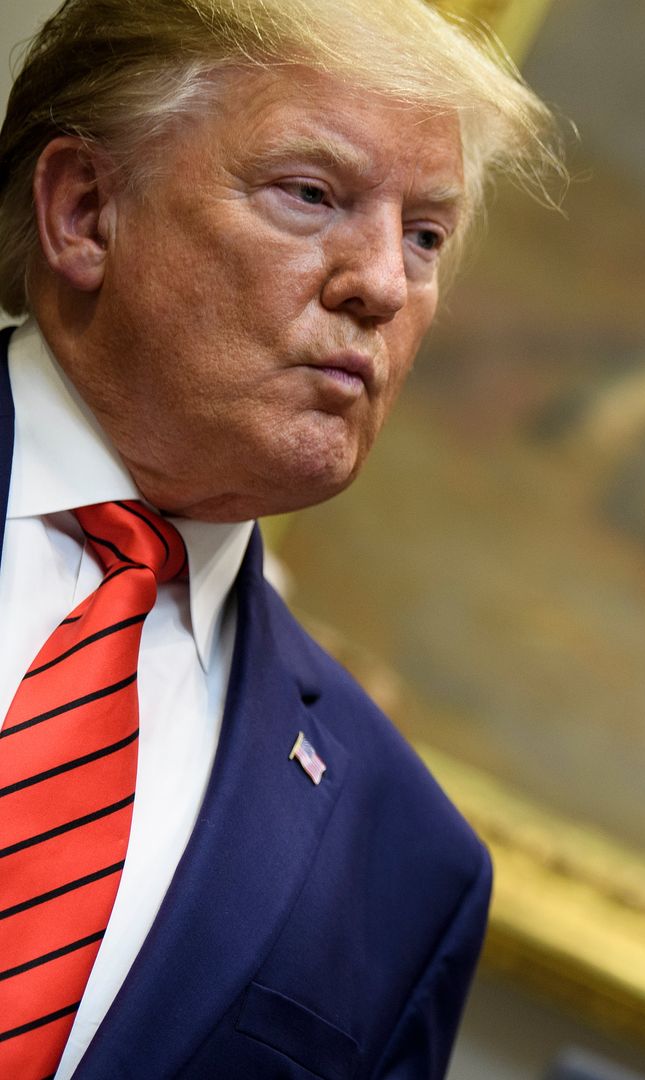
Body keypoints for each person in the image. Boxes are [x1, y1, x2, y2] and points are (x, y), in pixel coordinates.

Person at [0, 1, 558, 1077]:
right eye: (311, 195)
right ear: (85, 211)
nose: (384, 283)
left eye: (426, 234)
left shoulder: (403, 865)